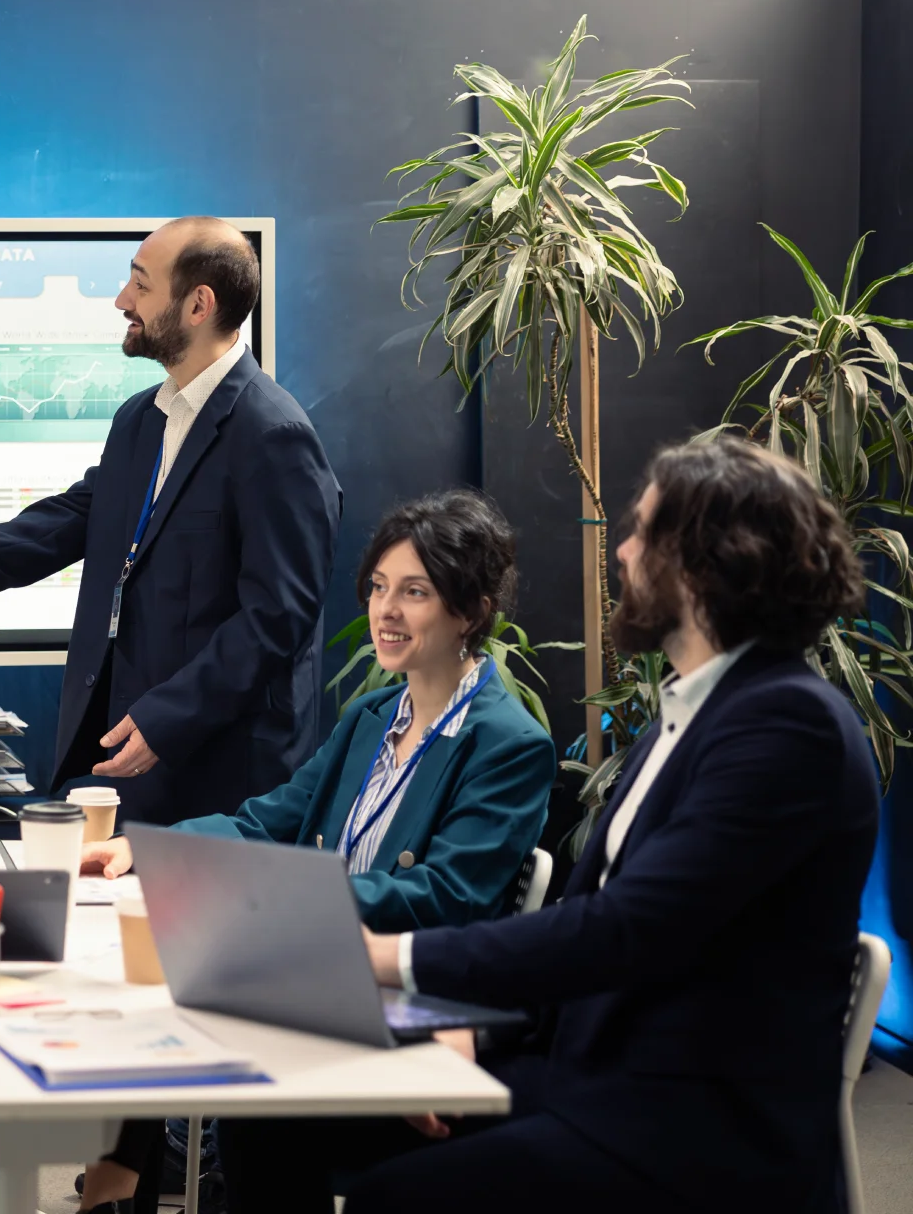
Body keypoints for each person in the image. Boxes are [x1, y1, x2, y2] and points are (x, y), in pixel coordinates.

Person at [346, 438, 878, 1214]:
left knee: (395, 1197)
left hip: (695, 1129)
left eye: (644, 533)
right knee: (292, 1119)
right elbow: (608, 939)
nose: (623, 550)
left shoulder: (787, 726)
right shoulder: (699, 712)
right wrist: (481, 1038)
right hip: (602, 1076)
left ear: (706, 565)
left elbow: (627, 930)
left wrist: (392, 958)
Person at [75, 490, 556, 1214]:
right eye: (378, 588)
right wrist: (144, 851)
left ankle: (134, 1183)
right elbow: (269, 822)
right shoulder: (371, 717)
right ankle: (126, 1186)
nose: (385, 611)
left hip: (401, 995)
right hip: (313, 971)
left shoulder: (508, 743)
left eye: (415, 593)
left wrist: (294, 905)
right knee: (151, 1019)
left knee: (240, 1087)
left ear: (471, 610)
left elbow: (446, 897)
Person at [0, 216, 340, 827]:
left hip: (220, 774)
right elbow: (76, 517)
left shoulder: (273, 433)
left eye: (140, 284)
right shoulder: (142, 418)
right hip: (133, 757)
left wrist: (169, 717)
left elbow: (277, 618)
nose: (121, 301)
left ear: (197, 305)